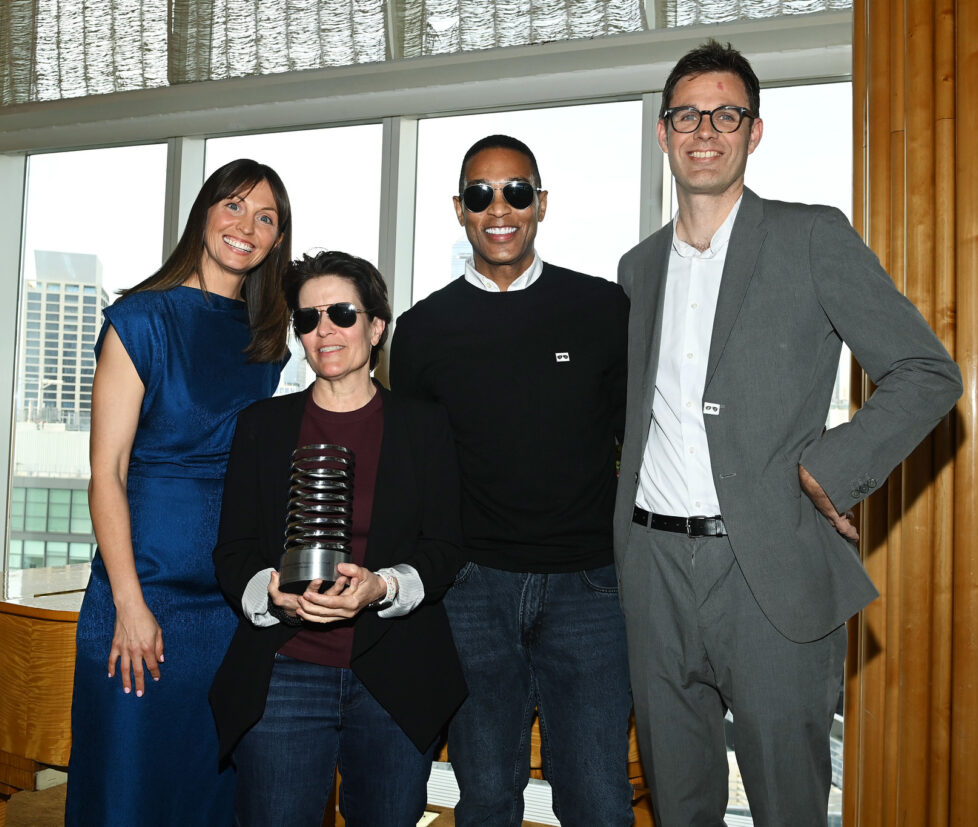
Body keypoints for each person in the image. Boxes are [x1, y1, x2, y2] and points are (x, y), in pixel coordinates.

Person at [613, 40, 964, 826]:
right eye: (688, 115)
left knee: (787, 804)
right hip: (652, 570)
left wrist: (829, 472)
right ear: (663, 134)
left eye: (726, 113)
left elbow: (926, 372)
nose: (707, 129)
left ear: (754, 131)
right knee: (678, 801)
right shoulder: (635, 271)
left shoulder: (812, 237)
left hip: (767, 569)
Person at [390, 134, 633, 826]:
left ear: (541, 203)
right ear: (461, 211)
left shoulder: (601, 309)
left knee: (598, 800)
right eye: (480, 194)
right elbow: (415, 471)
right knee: (487, 797)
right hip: (472, 593)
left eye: (516, 191)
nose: (500, 207)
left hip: (589, 590)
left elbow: (642, 442)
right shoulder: (422, 329)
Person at [67, 158, 292, 825]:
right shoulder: (140, 319)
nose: (246, 226)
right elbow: (105, 472)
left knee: (209, 799)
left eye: (266, 218)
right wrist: (131, 604)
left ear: (277, 241)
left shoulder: (268, 342)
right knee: (128, 795)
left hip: (228, 611)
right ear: (204, 212)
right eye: (233, 206)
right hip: (144, 599)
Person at [210, 250, 466, 826]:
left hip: (395, 677)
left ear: (376, 327)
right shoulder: (261, 426)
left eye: (342, 314)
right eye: (308, 318)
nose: (323, 330)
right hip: (283, 674)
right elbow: (233, 548)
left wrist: (380, 586)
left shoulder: (424, 426)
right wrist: (270, 592)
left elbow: (446, 547)